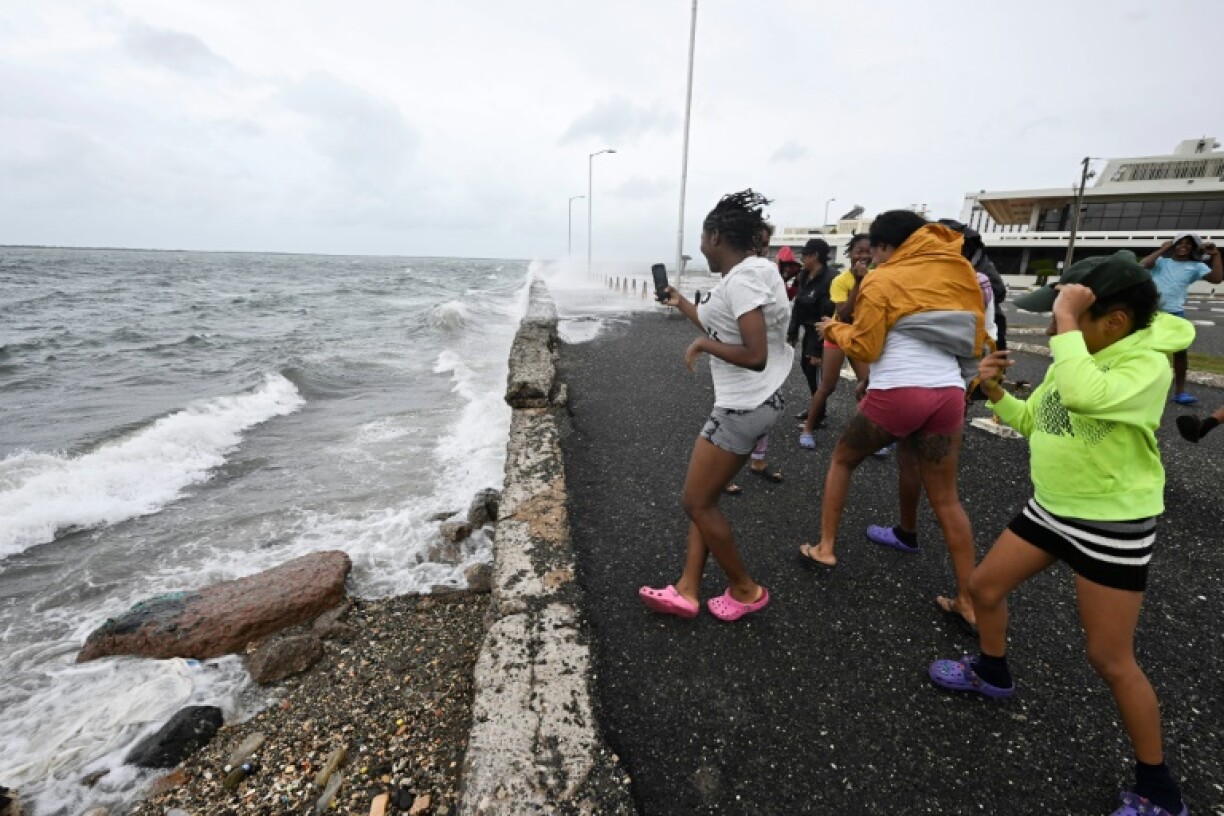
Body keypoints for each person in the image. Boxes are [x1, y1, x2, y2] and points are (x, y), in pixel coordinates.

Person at [929, 251, 1195, 816]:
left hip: (1111, 524)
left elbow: (1083, 397)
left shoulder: (1145, 366)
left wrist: (1068, 331)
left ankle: (1159, 789)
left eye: (1065, 316)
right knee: (983, 588)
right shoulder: (1076, 357)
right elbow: (1040, 421)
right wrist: (996, 391)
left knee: (1110, 658)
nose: (1053, 328)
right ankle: (992, 672)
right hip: (1052, 508)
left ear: (1115, 321)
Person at [796, 212, 985, 634]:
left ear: (883, 247)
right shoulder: (957, 275)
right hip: (948, 395)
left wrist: (834, 329)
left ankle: (826, 547)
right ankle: (968, 600)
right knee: (948, 500)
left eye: (875, 250)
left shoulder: (884, 277)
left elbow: (867, 343)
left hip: (900, 392)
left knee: (843, 459)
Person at [639, 189, 792, 622]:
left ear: (717, 236)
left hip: (744, 405)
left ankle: (746, 589)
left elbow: (754, 351)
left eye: (703, 239)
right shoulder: (754, 273)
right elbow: (727, 324)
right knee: (704, 499)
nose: (701, 248)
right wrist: (683, 304)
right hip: (761, 397)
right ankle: (687, 589)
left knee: (696, 502)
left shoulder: (742, 280)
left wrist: (702, 343)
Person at [796, 234, 872, 449]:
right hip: (838, 334)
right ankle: (809, 427)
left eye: (868, 251)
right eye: (859, 251)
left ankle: (873, 433)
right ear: (850, 254)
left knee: (869, 386)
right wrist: (858, 282)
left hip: (862, 337)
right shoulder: (840, 280)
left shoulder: (879, 278)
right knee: (827, 386)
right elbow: (845, 314)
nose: (864, 256)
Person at [1139, 233, 1222, 405]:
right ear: (1174, 245)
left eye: (1188, 244)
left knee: (1180, 352)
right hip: (1151, 312)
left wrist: (1216, 255)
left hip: (1175, 313)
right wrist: (1164, 248)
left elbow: (1216, 279)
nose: (1183, 246)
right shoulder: (1161, 262)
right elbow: (1143, 265)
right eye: (1180, 243)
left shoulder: (1196, 266)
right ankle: (1141, 386)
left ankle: (1179, 392)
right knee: (1144, 350)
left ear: (1193, 248)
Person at [787, 238, 838, 396]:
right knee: (806, 368)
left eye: (804, 255)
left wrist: (817, 351)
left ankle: (818, 414)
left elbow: (828, 314)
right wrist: (793, 331)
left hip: (822, 333)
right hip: (808, 330)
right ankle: (815, 408)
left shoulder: (831, 279)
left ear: (815, 256)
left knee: (815, 371)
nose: (802, 259)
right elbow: (798, 304)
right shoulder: (804, 275)